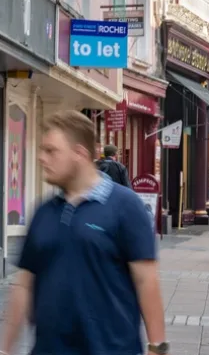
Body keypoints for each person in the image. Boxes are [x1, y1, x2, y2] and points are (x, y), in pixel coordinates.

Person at [0, 111, 169, 355]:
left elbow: (146, 282)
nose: (41, 157)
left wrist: (157, 348)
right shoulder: (44, 212)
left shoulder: (126, 207)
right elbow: (24, 285)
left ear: (80, 154)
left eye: (51, 150)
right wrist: (6, 348)